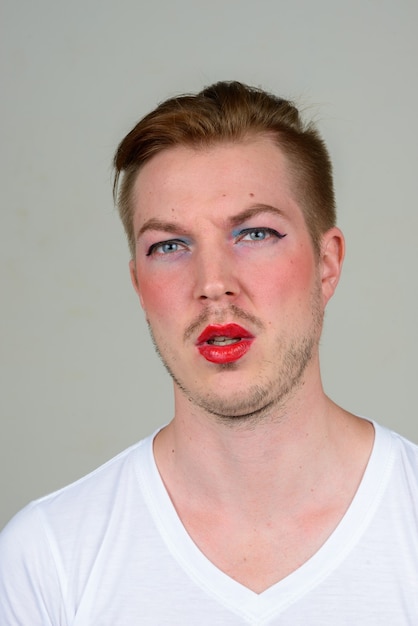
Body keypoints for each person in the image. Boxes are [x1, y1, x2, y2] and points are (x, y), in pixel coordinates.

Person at [0, 81, 417, 624]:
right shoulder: (47, 557)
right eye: (169, 246)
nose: (213, 283)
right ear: (137, 284)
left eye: (255, 233)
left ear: (326, 263)